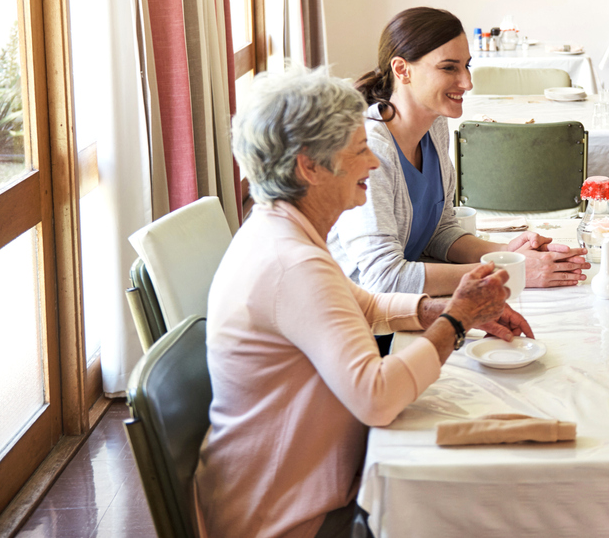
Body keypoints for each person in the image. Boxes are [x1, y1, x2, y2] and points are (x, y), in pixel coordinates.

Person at [195, 67, 532, 538]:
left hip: (293, 487)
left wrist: (437, 310)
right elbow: (376, 398)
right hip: (289, 518)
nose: (374, 165)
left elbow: (362, 305)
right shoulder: (292, 264)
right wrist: (455, 322)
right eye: (359, 151)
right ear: (309, 167)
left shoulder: (279, 231)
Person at [330, 7, 589, 295]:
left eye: (466, 65)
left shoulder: (434, 123)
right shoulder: (370, 149)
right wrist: (507, 271)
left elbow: (438, 232)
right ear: (402, 70)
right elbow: (384, 279)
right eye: (449, 67)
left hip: (406, 305)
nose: (467, 82)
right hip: (359, 320)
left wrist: (507, 253)